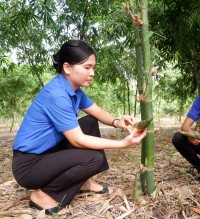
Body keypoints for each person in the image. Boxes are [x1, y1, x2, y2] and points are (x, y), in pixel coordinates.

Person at [12, 40, 147, 216]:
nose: (92, 73)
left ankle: (84, 181)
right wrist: (122, 143)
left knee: (90, 122)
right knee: (93, 158)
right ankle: (44, 195)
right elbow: (78, 140)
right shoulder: (57, 94)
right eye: (87, 67)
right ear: (67, 68)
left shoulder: (73, 90)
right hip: (29, 165)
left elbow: (97, 112)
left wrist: (117, 122)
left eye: (94, 68)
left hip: (48, 153)